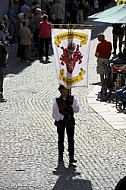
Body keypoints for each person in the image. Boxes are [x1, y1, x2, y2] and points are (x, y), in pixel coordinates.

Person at [52, 85, 79, 164]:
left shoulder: (73, 99)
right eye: (62, 91)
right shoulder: (57, 101)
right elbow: (55, 114)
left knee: (71, 139)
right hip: (61, 122)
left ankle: (71, 157)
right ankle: (60, 156)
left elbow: (77, 109)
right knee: (61, 138)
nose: (64, 93)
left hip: (70, 121)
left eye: (65, 91)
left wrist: (72, 104)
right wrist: (62, 117)